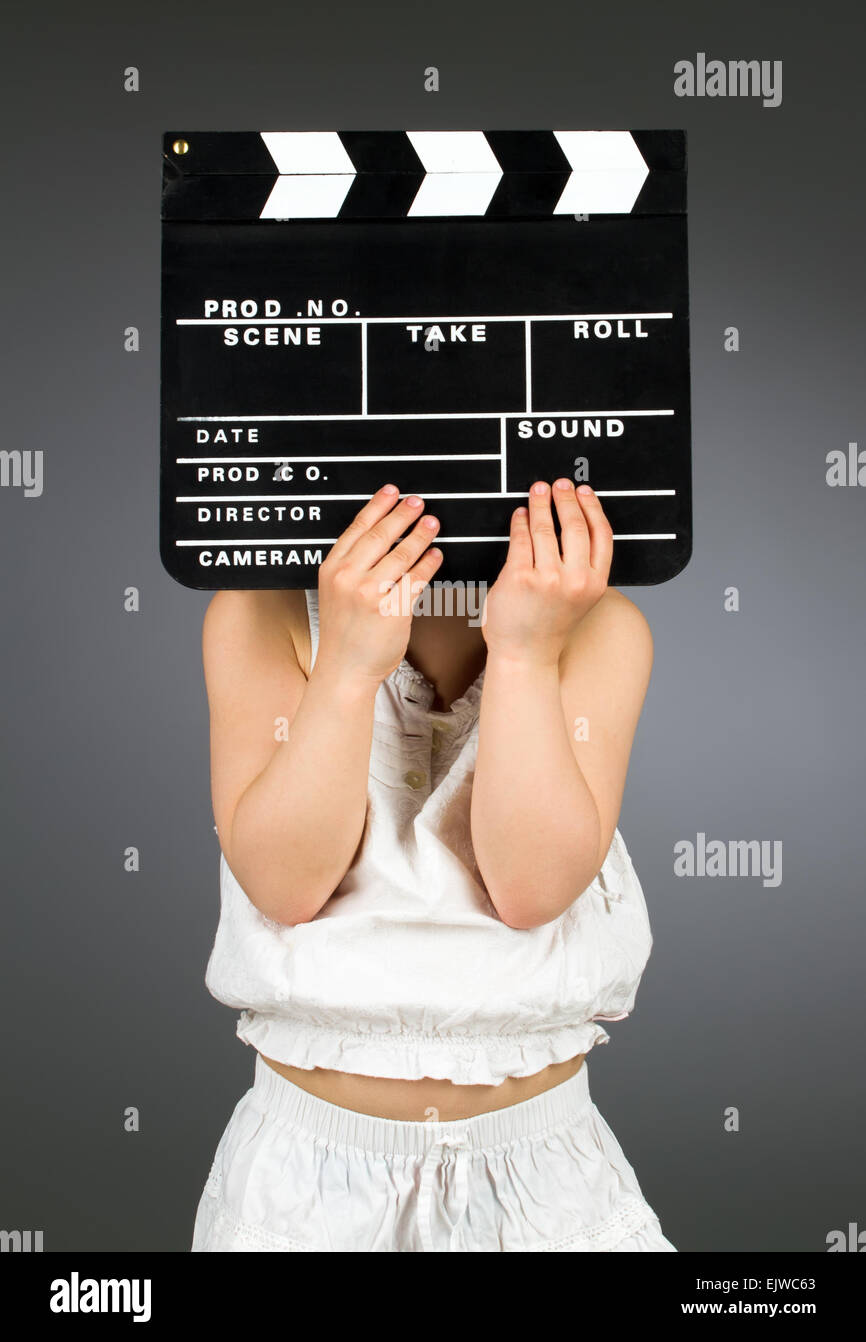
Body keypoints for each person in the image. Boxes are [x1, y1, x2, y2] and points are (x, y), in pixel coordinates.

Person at [190, 477, 676, 1252]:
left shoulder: (601, 628)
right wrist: (348, 668)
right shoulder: (257, 611)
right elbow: (283, 884)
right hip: (305, 1195)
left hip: (544, 1189)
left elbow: (531, 888)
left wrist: (524, 652)